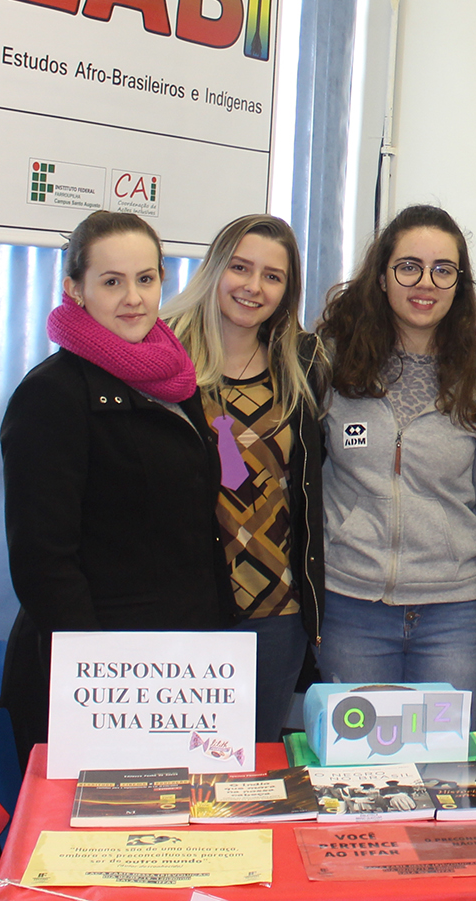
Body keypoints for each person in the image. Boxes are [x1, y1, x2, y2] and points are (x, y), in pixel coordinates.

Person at [0, 211, 230, 766]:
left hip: (185, 667)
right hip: (103, 679)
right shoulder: (51, 395)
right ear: (74, 290)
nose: (133, 298)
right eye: (111, 281)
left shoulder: (175, 379)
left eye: (145, 279)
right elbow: (42, 562)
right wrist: (101, 672)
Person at [312, 205, 476, 726]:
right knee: (357, 767)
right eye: (409, 267)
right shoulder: (329, 366)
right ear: (382, 276)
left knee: (445, 766)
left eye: (443, 269)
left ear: (459, 285)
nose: (426, 283)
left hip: (449, 616)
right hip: (351, 607)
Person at [163, 214, 323, 744]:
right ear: (214, 269)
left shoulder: (303, 362)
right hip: (186, 603)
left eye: (272, 276)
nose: (254, 287)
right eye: (240, 268)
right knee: (177, 763)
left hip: (277, 610)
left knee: (252, 765)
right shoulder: (162, 356)